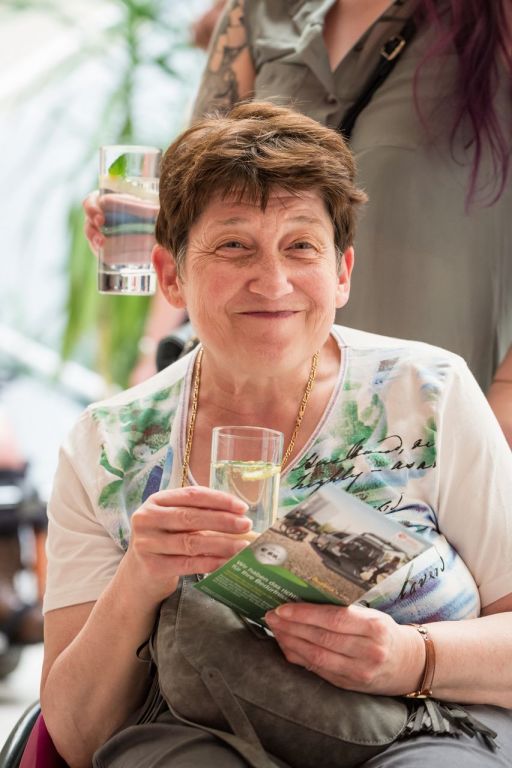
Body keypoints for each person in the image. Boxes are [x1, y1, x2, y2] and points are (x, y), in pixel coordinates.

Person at [44, 102, 512, 768]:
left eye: (301, 246)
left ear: (341, 273)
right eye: (234, 246)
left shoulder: (424, 392)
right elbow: (73, 736)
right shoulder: (107, 446)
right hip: (203, 730)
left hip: (424, 727)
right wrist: (138, 579)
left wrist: (413, 657)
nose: (273, 281)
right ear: (171, 274)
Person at [84, 0, 512, 442]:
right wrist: (149, 221)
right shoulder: (253, 12)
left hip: (430, 405)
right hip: (256, 407)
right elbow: (195, 199)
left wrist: (507, 394)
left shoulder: (494, 19)